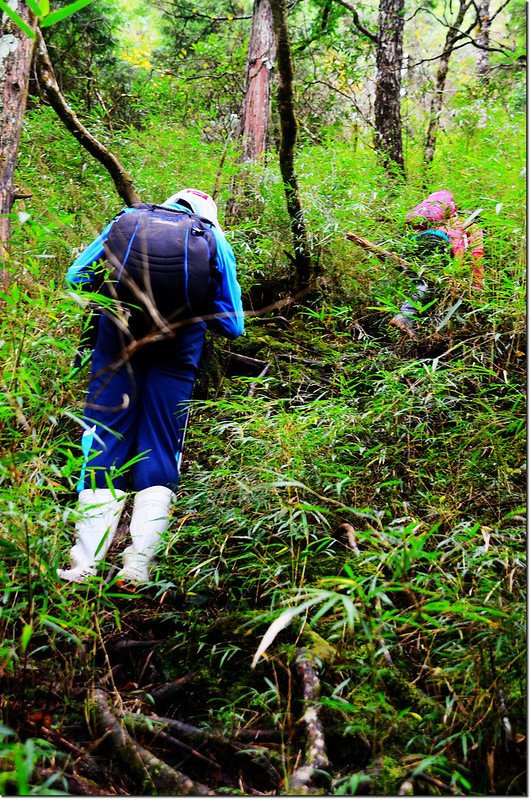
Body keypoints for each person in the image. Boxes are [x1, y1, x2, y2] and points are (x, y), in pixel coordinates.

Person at [57, 188, 244, 585]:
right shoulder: (212, 237)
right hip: (177, 354)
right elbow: (233, 325)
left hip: (116, 344)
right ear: (206, 213)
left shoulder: (127, 220)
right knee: (161, 445)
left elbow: (77, 277)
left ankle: (84, 564)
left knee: (104, 439)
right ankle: (139, 566)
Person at [389, 189, 484, 338]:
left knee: (425, 282)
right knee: (430, 283)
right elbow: (475, 256)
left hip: (418, 243)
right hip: (438, 244)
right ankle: (406, 316)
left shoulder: (439, 216)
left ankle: (422, 327)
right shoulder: (471, 225)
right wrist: (477, 286)